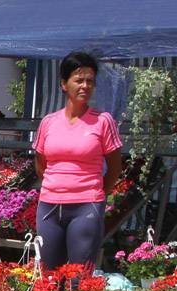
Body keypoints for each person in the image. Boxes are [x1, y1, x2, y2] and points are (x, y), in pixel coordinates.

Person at [32, 52, 123, 269]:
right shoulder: (48, 122)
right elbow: (40, 163)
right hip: (49, 206)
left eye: (90, 81)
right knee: (48, 275)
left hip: (86, 206)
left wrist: (96, 194)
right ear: (64, 84)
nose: (85, 86)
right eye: (79, 80)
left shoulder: (103, 121)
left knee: (79, 277)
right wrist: (56, 186)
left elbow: (114, 167)